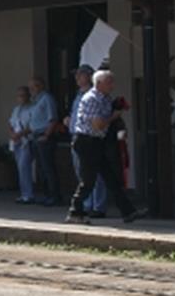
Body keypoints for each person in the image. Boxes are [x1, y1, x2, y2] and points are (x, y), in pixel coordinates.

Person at [66, 70, 146, 225]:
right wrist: (113, 116)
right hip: (86, 141)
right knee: (88, 180)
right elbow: (98, 125)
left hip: (97, 142)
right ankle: (74, 211)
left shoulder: (105, 99)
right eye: (109, 82)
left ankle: (128, 211)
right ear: (99, 83)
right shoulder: (91, 99)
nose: (112, 85)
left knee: (111, 178)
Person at [65, 65, 107, 217]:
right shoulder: (78, 95)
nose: (77, 78)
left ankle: (98, 206)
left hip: (90, 138)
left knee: (93, 174)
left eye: (80, 75)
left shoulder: (94, 95)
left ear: (89, 76)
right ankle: (86, 204)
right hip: (76, 136)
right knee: (82, 174)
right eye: (76, 75)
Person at [27, 76, 61, 206]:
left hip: (44, 136)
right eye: (29, 88)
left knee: (48, 167)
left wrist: (46, 135)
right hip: (35, 136)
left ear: (41, 86)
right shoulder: (35, 101)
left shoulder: (47, 99)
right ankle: (46, 195)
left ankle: (54, 195)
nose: (31, 90)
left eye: (33, 87)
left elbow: (52, 119)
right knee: (40, 168)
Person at [8, 86, 36, 204]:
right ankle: (23, 193)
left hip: (26, 140)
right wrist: (12, 134)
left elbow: (33, 125)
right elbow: (10, 123)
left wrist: (20, 134)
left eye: (23, 95)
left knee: (24, 166)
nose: (21, 98)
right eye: (19, 96)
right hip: (16, 142)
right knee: (20, 168)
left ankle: (28, 195)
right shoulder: (16, 109)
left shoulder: (32, 109)